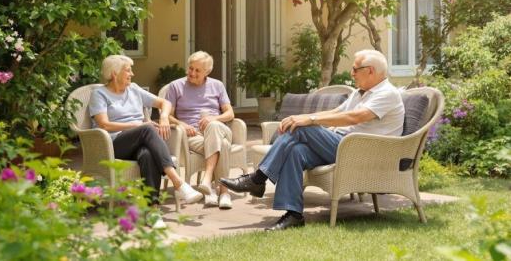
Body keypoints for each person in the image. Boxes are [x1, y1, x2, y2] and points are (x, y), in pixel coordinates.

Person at [220, 49, 404, 231]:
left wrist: (308, 120)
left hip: (362, 151)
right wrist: (304, 116)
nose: (352, 73)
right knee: (295, 151)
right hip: (343, 145)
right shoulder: (360, 92)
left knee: (302, 127)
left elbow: (355, 117)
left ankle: (258, 179)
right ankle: (294, 215)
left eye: (355, 69)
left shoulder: (387, 93)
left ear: (370, 70)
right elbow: (336, 113)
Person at [88, 54, 203, 228]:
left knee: (147, 154)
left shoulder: (134, 89)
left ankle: (153, 212)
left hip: (139, 140)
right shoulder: (99, 94)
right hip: (114, 144)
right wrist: (135, 125)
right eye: (128, 70)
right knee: (148, 127)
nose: (132, 74)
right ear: (114, 74)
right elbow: (104, 124)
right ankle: (178, 182)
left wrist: (164, 117)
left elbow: (165, 103)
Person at [166, 51, 236, 209]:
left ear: (207, 71)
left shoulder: (217, 85)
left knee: (214, 126)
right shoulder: (176, 86)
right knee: (223, 146)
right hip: (193, 135)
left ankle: (207, 179)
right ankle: (223, 192)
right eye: (190, 68)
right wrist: (182, 124)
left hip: (219, 128)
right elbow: (167, 116)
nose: (192, 73)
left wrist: (214, 118)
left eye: (197, 70)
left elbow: (230, 113)